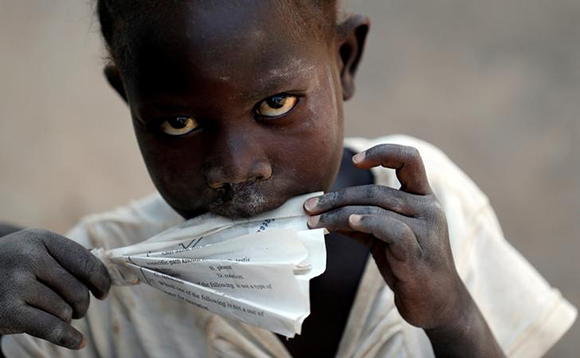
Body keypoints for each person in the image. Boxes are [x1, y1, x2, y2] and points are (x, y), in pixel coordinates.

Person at [0, 1, 576, 357]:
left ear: (344, 60)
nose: (236, 169)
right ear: (128, 100)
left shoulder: (426, 206)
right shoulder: (96, 295)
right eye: (179, 122)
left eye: (277, 103)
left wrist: (453, 315)